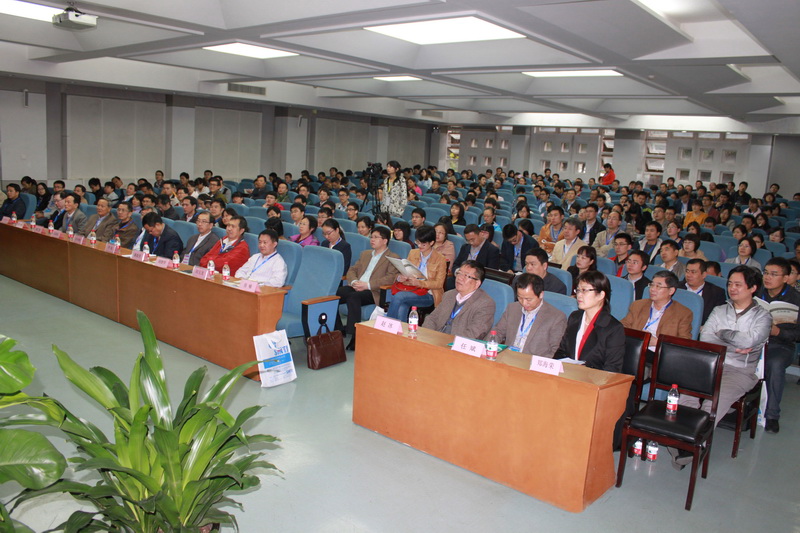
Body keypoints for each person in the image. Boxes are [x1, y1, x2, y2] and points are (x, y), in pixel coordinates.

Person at [672, 265, 771, 472]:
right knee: (685, 392)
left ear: (752, 288)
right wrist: (735, 344)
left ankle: (693, 444)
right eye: (730, 284)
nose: (732, 288)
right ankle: (684, 438)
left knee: (713, 402)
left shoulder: (763, 317)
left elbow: (749, 341)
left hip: (740, 370)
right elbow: (706, 338)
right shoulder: (720, 310)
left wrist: (723, 334)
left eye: (738, 285)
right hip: (711, 363)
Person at [337, 226, 400, 350]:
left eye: (376, 237)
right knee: (336, 294)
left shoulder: (392, 257)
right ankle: (338, 328)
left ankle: (355, 335)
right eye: (371, 237)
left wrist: (367, 285)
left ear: (385, 240)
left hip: (374, 290)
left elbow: (390, 278)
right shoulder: (365, 254)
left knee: (354, 297)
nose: (372, 239)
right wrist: (354, 281)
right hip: (357, 285)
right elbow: (352, 270)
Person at [758, 258, 800, 434]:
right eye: (766, 273)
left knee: (775, 364)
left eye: (774, 274)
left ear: (786, 278)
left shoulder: (796, 299)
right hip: (755, 340)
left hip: (782, 345)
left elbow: (797, 335)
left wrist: (778, 332)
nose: (768, 277)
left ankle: (772, 415)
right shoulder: (757, 291)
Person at [553, 271, 625, 372]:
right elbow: (562, 351)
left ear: (601, 295)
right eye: (578, 290)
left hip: (593, 380)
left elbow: (612, 369)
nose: (579, 295)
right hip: (568, 375)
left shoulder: (613, 328)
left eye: (585, 290)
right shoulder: (575, 317)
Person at [490, 273, 567, 357]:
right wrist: (488, 346)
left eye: (528, 299)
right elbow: (498, 331)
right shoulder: (512, 308)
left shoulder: (556, 318)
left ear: (541, 294)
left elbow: (556, 351)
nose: (524, 303)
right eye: (520, 298)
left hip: (532, 362)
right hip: (507, 357)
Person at [386, 226, 447, 322]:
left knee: (399, 296)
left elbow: (439, 284)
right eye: (418, 242)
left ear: (431, 243)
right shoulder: (413, 253)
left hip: (429, 294)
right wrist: (401, 277)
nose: (419, 246)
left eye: (423, 244)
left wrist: (420, 283)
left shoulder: (440, 259)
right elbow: (406, 270)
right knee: (402, 304)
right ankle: (400, 329)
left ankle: (387, 324)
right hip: (411, 289)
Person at [422, 260, 495, 339]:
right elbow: (432, 318)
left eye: (466, 275)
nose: (459, 278)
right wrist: (428, 335)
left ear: (477, 283)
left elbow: (474, 333)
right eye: (459, 273)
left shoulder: (485, 304)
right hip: (436, 338)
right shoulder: (449, 295)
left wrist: (449, 342)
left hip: (458, 343)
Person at [621, 271, 693, 350]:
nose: (652, 289)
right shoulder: (638, 305)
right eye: (652, 285)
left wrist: (658, 342)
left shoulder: (683, 313)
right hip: (633, 348)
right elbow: (623, 326)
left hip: (658, 353)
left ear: (671, 291)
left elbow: (684, 342)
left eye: (658, 286)